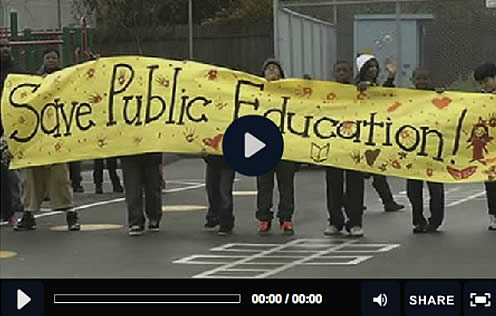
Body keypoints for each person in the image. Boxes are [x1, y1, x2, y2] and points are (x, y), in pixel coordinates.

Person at [14, 47, 80, 231]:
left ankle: (71, 214)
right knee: (30, 178)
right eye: (48, 57)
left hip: (57, 134)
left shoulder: (66, 79)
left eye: (54, 57)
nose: (51, 60)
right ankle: (28, 214)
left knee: (60, 178)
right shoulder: (33, 81)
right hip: (36, 135)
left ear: (58, 60)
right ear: (43, 60)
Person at [356, 54, 405, 213]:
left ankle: (387, 201)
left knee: (377, 169)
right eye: (369, 67)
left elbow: (384, 95)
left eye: (375, 66)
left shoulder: (375, 85)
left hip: (375, 131)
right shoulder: (358, 86)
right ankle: (355, 201)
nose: (373, 70)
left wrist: (391, 76)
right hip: (361, 133)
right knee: (359, 171)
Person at [256, 59, 298, 235]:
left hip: (285, 145)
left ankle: (286, 218)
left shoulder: (289, 93)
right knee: (264, 185)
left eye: (275, 68)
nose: (272, 71)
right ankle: (264, 218)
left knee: (286, 184)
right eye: (268, 69)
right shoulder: (256, 92)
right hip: (262, 145)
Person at [324, 61, 365, 237]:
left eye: (345, 70)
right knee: (333, 184)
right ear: (334, 74)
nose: (342, 73)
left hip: (354, 145)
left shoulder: (359, 92)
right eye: (338, 70)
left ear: (350, 73)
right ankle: (335, 221)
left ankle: (355, 222)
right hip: (333, 145)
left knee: (355, 184)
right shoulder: (325, 93)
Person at [407, 68, 445, 233]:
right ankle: (418, 220)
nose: (421, 82)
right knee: (413, 189)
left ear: (430, 80)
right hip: (412, 149)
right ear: (412, 80)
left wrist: (443, 95)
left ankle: (435, 220)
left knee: (435, 188)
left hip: (433, 149)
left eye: (424, 79)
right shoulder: (406, 98)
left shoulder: (437, 96)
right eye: (418, 79)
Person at [0, 38, 24, 225]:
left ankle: (12, 209)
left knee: (9, 170)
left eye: (8, 45)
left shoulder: (18, 70)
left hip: (11, 126)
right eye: (1, 46)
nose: (5, 49)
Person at [474, 62, 496, 231]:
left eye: (486, 81)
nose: (484, 85)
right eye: (481, 83)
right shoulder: (478, 99)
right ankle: (494, 216)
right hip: (489, 149)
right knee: (491, 183)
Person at [121, 153, 162, 236]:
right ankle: (136, 220)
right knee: (133, 187)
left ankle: (153, 216)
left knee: (152, 186)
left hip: (149, 151)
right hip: (129, 152)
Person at [203, 155, 236, 236]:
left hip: (227, 162)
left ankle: (226, 222)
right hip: (212, 160)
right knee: (211, 189)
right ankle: (214, 216)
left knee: (224, 191)